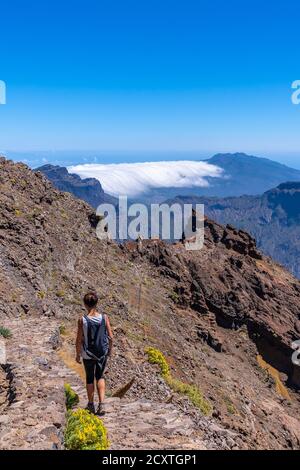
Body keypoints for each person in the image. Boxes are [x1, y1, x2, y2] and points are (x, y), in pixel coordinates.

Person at [75, 292, 113, 415]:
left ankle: (91, 405)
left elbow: (79, 339)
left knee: (90, 378)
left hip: (88, 354)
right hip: (102, 352)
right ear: (96, 303)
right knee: (100, 376)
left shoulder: (82, 320)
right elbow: (111, 337)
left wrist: (77, 354)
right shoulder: (105, 318)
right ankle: (102, 404)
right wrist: (110, 351)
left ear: (85, 304)